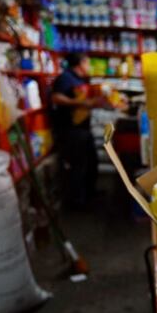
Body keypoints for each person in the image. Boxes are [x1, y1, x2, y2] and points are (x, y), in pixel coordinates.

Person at [50, 53, 108, 209]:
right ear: (80, 63)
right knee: (78, 165)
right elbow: (56, 98)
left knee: (91, 162)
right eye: (88, 63)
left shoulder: (80, 79)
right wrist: (82, 102)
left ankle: (90, 194)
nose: (89, 66)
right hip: (70, 130)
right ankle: (77, 202)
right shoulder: (65, 78)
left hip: (83, 128)